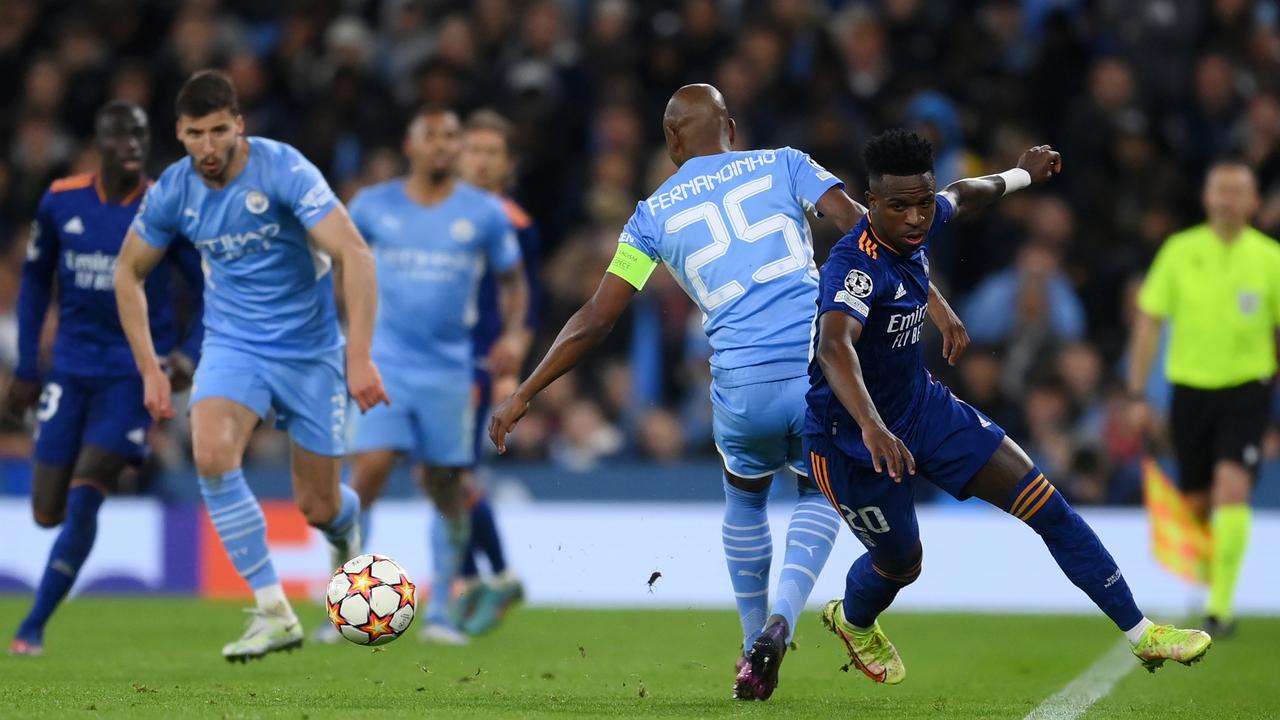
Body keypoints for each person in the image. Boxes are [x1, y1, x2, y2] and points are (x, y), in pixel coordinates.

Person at [490, 84, 970, 700]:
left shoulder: (651, 216)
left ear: (670, 142)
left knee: (745, 500)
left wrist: (525, 391)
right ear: (732, 130)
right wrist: (934, 303)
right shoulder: (785, 163)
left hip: (740, 389)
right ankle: (782, 621)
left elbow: (597, 317)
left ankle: (750, 650)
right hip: (814, 372)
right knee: (820, 492)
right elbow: (869, 229)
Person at [806, 128, 1210, 686]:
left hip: (923, 410)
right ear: (870, 204)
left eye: (922, 203)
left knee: (1047, 504)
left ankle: (1143, 634)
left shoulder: (920, 222)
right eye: (898, 207)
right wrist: (871, 426)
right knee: (902, 563)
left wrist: (1021, 173)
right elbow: (834, 345)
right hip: (848, 440)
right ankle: (853, 620)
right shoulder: (851, 266)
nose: (917, 218)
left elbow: (965, 193)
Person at [114, 70, 388, 661]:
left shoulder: (282, 168)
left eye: (219, 130)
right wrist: (150, 369)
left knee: (318, 507)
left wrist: (358, 355)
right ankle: (272, 611)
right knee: (210, 452)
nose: (208, 146)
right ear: (179, 134)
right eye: (195, 134)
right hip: (234, 344)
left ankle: (346, 524)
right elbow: (127, 272)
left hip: (311, 352)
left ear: (239, 125)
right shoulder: (172, 191)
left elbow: (354, 254)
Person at [7, 102, 203, 657]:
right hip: (69, 368)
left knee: (88, 490)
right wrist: (27, 366)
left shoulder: (165, 207)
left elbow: (210, 290)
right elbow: (33, 283)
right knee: (47, 510)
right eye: (120, 136)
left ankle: (33, 626)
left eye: (140, 135)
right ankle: (50, 579)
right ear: (99, 142)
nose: (132, 145)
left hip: (135, 374)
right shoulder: (61, 199)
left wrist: (186, 355)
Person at [342, 107, 528, 646]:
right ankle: (349, 599)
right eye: (433, 137)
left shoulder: (485, 213)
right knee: (370, 470)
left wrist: (514, 334)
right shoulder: (372, 206)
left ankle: (443, 610)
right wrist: (348, 338)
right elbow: (342, 269)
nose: (444, 146)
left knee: (447, 486)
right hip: (384, 363)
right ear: (411, 144)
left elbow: (514, 281)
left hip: (449, 370)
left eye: (453, 136)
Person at [1127, 159, 1280, 638]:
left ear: (1254, 202)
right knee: (1196, 501)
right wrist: (1136, 392)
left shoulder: (1270, 257)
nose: (1229, 198)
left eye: (1239, 190)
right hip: (1189, 390)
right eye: (1221, 188)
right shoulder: (1179, 251)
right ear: (1207, 197)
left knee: (1232, 487)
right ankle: (1214, 584)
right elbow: (1149, 320)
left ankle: (1221, 607)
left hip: (1247, 389)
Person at [451, 109, 542, 636]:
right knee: (436, 473)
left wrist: (513, 362)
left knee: (452, 472)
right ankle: (476, 577)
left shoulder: (514, 221)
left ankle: (485, 577)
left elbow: (526, 302)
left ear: (507, 165)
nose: (481, 160)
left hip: (477, 363)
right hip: (433, 360)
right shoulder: (439, 214)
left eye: (492, 152)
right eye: (474, 148)